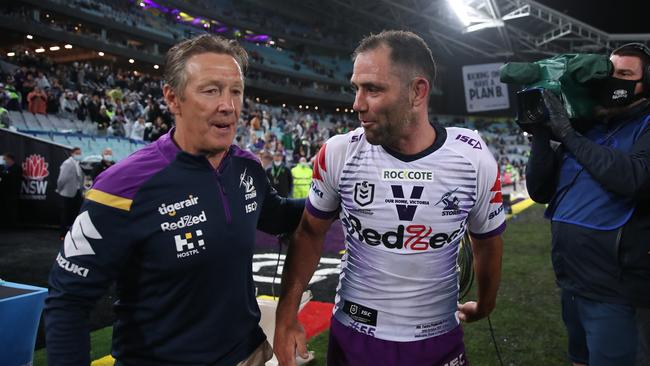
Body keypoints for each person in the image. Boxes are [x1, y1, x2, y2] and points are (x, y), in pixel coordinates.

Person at [44, 34, 304, 366]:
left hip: (247, 354)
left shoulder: (247, 167)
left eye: (235, 91)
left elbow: (278, 215)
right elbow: (68, 300)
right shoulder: (123, 186)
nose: (228, 105)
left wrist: (336, 195)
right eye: (211, 90)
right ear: (173, 98)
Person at [274, 30, 506, 366]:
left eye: (373, 89)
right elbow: (309, 233)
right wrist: (286, 314)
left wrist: (486, 303)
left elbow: (487, 242)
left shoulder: (473, 158)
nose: (357, 103)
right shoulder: (338, 153)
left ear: (417, 91)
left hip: (438, 338)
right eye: (356, 88)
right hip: (355, 336)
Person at [525, 43, 650, 366]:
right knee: (579, 360)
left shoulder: (645, 126)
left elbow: (634, 178)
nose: (614, 81)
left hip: (618, 291)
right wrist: (541, 133)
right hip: (572, 282)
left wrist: (566, 134)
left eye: (625, 74)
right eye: (610, 72)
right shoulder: (589, 126)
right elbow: (540, 190)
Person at [55, 147, 83, 238]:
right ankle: (62, 234)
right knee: (65, 214)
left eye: (80, 153)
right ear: (72, 153)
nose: (79, 155)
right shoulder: (67, 163)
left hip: (76, 191)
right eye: (77, 153)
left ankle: (73, 233)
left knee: (75, 213)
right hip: (66, 193)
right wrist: (59, 189)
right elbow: (61, 179)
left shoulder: (77, 163)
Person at [0, 152, 22, 228]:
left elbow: (13, 179)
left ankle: (12, 225)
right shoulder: (3, 168)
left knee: (12, 208)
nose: (4, 161)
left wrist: (5, 174)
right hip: (3, 192)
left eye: (5, 159)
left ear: (10, 159)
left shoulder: (17, 168)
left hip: (12, 192)